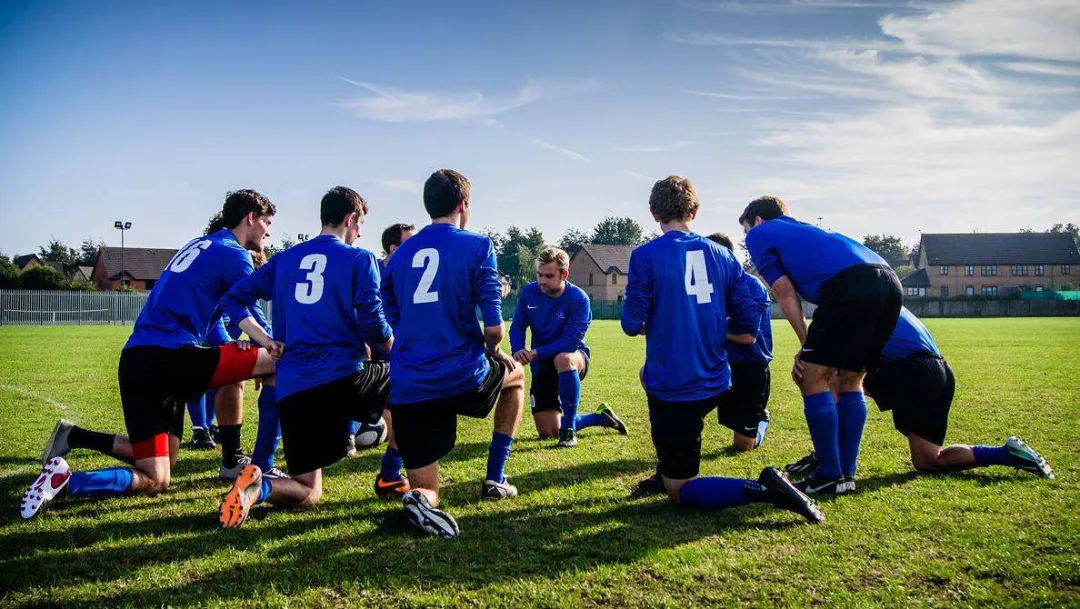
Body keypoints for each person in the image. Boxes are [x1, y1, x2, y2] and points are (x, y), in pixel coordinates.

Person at [23, 190, 280, 520]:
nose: (269, 232)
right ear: (250, 218)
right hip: (169, 358)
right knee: (277, 360)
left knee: (158, 475)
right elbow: (250, 307)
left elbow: (209, 321)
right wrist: (270, 346)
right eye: (267, 223)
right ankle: (245, 463)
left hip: (137, 361)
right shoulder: (234, 255)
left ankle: (66, 478)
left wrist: (236, 350)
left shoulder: (200, 246)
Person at [622, 176, 822, 524]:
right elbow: (751, 307)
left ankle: (764, 489)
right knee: (655, 387)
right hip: (717, 377)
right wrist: (719, 325)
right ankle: (668, 463)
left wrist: (651, 320)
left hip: (675, 384)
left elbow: (630, 321)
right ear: (695, 211)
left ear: (654, 213)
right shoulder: (723, 256)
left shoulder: (645, 256)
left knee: (679, 490)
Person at [216, 186, 405, 529]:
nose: (360, 232)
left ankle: (257, 489)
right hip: (341, 379)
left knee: (308, 490)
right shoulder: (360, 258)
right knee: (413, 386)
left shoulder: (285, 259)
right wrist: (397, 351)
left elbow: (231, 299)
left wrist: (265, 340)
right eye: (360, 224)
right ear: (350, 219)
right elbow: (374, 322)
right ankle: (391, 474)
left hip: (294, 388)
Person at [383, 169, 525, 538]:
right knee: (517, 377)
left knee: (428, 487)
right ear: (463, 205)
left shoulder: (397, 256)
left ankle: (419, 499)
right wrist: (494, 351)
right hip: (462, 375)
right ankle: (495, 477)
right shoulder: (478, 246)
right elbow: (494, 328)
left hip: (410, 384)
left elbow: (390, 316)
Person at [740, 196, 902, 495]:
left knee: (810, 375)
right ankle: (845, 474)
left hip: (850, 285)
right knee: (849, 379)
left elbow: (784, 292)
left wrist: (806, 343)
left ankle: (829, 472)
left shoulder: (761, 233)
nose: (747, 238)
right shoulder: (803, 231)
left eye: (746, 230)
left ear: (757, 221)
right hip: (889, 281)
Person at [786, 308, 1055, 479]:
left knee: (832, 381)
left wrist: (808, 361)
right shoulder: (882, 296)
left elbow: (839, 364)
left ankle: (829, 462)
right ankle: (1005, 454)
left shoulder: (854, 304)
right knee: (928, 461)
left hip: (911, 370)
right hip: (939, 372)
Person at [510, 247, 627, 447]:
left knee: (563, 357)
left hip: (574, 358)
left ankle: (569, 431)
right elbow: (518, 325)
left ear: (564, 274)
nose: (542, 281)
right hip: (541, 364)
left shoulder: (578, 298)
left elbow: (571, 341)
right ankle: (600, 417)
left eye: (548, 276)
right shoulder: (529, 292)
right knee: (548, 432)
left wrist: (537, 352)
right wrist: (518, 349)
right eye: (539, 275)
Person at [345, 222, 416, 456]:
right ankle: (348, 434)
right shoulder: (370, 268)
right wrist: (362, 341)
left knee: (399, 390)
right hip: (370, 341)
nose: (416, 246)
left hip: (398, 342)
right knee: (356, 382)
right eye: (410, 241)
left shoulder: (413, 274)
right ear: (394, 249)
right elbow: (356, 307)